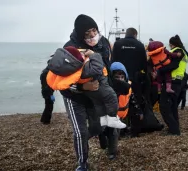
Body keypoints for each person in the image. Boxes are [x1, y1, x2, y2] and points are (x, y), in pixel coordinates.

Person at [53, 14, 114, 171]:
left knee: (99, 126)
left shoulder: (103, 43)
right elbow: (61, 82)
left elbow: (107, 69)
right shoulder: (69, 49)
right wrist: (82, 88)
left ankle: (103, 138)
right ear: (80, 34)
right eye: (87, 33)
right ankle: (82, 163)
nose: (92, 35)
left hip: (96, 95)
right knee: (81, 132)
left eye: (94, 30)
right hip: (74, 96)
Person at [47, 46, 126, 129]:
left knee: (98, 103)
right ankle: (112, 118)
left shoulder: (66, 70)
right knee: (111, 97)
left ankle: (103, 119)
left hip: (90, 90)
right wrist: (94, 55)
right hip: (99, 84)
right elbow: (97, 68)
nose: (82, 54)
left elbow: (66, 84)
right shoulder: (84, 69)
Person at [98, 62, 134, 159]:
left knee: (114, 133)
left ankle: (112, 152)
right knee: (102, 130)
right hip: (105, 115)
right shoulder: (106, 87)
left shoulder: (127, 87)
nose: (120, 79)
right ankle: (103, 140)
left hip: (119, 116)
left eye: (122, 77)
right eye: (117, 77)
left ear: (125, 77)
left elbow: (132, 100)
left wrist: (138, 111)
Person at [156, 35, 188, 136]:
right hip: (179, 81)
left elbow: (174, 65)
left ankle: (174, 130)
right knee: (173, 106)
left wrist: (160, 70)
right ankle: (174, 126)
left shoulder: (176, 51)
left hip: (171, 81)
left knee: (164, 106)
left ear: (172, 44)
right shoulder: (185, 53)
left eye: (170, 44)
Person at [111, 27, 148, 106]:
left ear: (126, 34)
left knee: (120, 98)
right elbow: (144, 63)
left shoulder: (117, 43)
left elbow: (113, 61)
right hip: (135, 77)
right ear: (135, 34)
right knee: (135, 99)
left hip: (120, 77)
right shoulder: (140, 45)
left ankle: (121, 115)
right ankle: (135, 114)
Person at [40, 60, 55, 124]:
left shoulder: (45, 71)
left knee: (47, 105)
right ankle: (46, 121)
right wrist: (51, 94)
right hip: (47, 91)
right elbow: (46, 85)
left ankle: (43, 119)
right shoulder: (47, 73)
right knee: (49, 106)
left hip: (45, 91)